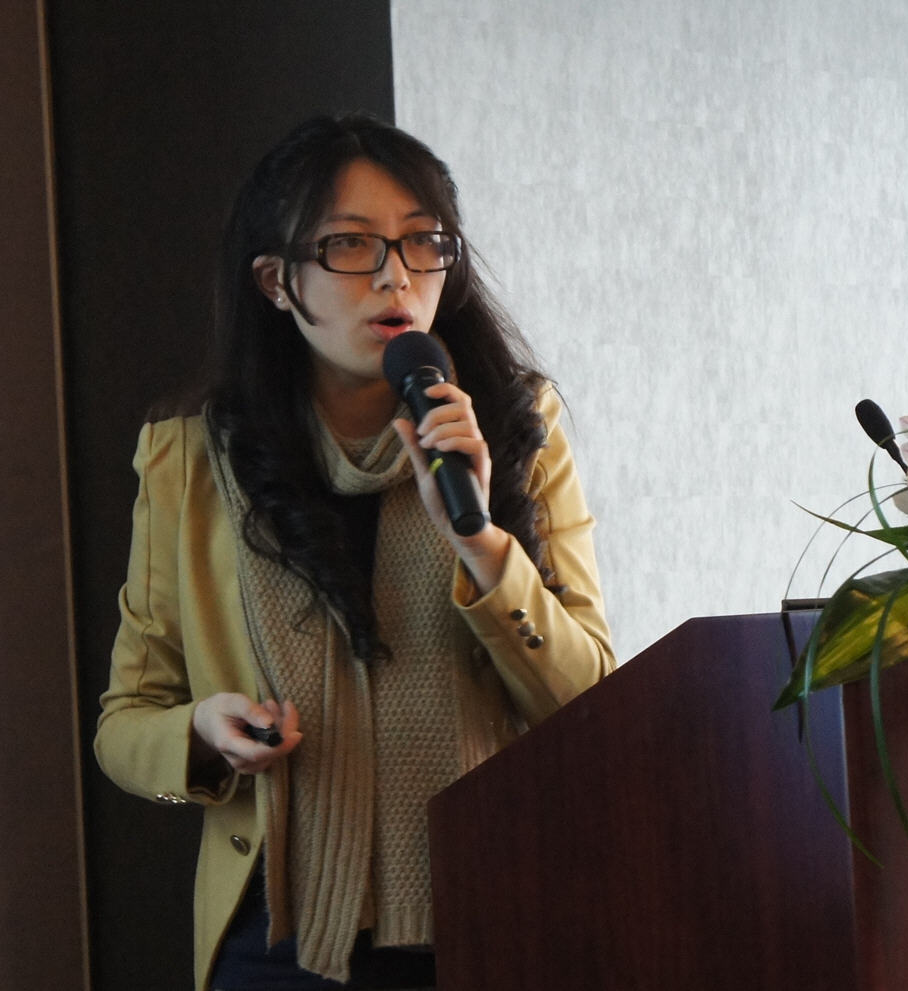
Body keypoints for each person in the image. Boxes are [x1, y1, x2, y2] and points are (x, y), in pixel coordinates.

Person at [94, 112, 615, 991]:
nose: (394, 276)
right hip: (279, 942)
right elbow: (123, 725)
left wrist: (483, 545)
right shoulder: (192, 459)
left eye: (423, 242)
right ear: (275, 281)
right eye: (349, 245)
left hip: (493, 921)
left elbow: (590, 702)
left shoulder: (516, 429)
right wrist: (202, 734)